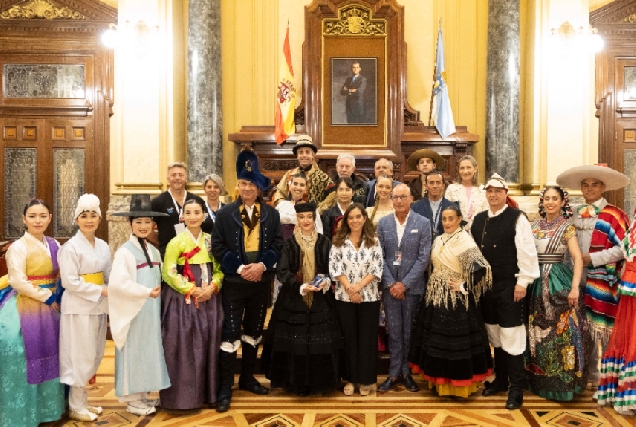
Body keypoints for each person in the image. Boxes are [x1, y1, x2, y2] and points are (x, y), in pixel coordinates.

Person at [212, 148, 283, 413]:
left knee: (254, 332)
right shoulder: (225, 214)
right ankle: (224, 385)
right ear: (237, 186)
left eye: (252, 184)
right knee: (230, 332)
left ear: (259, 188)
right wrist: (241, 268)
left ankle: (248, 378)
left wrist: (262, 266)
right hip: (234, 282)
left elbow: (278, 245)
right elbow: (218, 248)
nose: (248, 188)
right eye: (244, 183)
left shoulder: (271, 214)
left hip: (260, 282)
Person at [556, 164, 630, 393]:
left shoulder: (615, 214)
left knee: (603, 327)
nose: (589, 189)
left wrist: (594, 258)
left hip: (604, 279)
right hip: (577, 278)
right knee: (581, 327)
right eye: (585, 185)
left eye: (594, 184)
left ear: (603, 187)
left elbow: (624, 249)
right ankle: (583, 372)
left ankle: (604, 377)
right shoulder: (574, 213)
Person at [471, 173, 540, 410]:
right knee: (495, 335)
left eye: (497, 192)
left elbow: (527, 252)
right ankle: (500, 380)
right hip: (486, 289)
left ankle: (516, 388)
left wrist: (523, 282)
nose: (493, 195)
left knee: (512, 336)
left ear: (505, 194)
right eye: (489, 191)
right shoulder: (478, 220)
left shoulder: (517, 218)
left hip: (510, 287)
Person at [409, 204, 493, 398]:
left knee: (454, 345)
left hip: (456, 301)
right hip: (435, 296)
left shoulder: (464, 240)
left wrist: (464, 286)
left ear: (459, 219)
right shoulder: (438, 239)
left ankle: (459, 386)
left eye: (450, 219)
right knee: (436, 342)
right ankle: (439, 384)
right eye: (444, 219)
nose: (446, 222)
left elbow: (483, 269)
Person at [264, 202, 344, 396]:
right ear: (297, 220)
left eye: (309, 217)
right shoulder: (289, 243)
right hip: (293, 297)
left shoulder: (325, 242)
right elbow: (282, 271)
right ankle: (295, 382)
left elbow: (330, 268)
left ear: (313, 218)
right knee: (295, 341)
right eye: (302, 217)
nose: (306, 221)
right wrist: (299, 285)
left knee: (321, 339)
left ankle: (320, 383)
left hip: (320, 298)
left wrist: (324, 281)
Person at [0, 199, 65, 427]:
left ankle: (49, 410)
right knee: (21, 352)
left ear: (49, 218)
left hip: (52, 310)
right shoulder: (18, 247)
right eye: (32, 216)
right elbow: (17, 280)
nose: (38, 220)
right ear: (24, 219)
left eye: (42, 215)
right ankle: (21, 414)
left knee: (54, 352)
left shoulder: (55, 244)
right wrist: (48, 297)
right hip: (26, 306)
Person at [526, 186, 590, 401]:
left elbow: (577, 258)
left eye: (555, 198)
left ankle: (563, 383)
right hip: (535, 281)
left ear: (563, 202)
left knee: (563, 334)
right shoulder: (532, 226)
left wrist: (574, 287)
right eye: (547, 198)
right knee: (537, 331)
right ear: (541, 201)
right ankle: (539, 380)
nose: (550, 202)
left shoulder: (567, 228)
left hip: (558, 280)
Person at [109, 194, 171, 415]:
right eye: (138, 222)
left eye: (147, 221)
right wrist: (145, 292)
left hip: (150, 310)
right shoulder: (124, 252)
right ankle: (131, 398)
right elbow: (118, 284)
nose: (143, 226)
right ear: (130, 224)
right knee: (133, 350)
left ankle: (143, 394)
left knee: (148, 349)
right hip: (133, 310)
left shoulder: (153, 250)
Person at [161, 198, 223, 410]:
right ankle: (183, 397)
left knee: (208, 343)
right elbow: (168, 272)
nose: (193, 217)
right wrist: (190, 289)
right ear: (182, 216)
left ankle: (208, 393)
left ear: (204, 216)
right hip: (184, 301)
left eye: (197, 212)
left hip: (209, 299)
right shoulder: (175, 242)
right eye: (188, 213)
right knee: (185, 346)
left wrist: (213, 286)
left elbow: (219, 269)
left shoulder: (210, 241)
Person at [59, 194, 111, 422]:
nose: (89, 220)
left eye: (93, 215)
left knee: (93, 354)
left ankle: (84, 402)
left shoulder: (103, 245)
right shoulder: (70, 247)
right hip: (78, 308)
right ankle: (75, 405)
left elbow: (108, 276)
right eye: (84, 216)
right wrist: (99, 290)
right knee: (78, 355)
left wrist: (111, 290)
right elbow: (69, 281)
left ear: (99, 219)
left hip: (98, 307)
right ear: (77, 219)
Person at [376, 184, 431, 393]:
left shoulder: (423, 223)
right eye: (395, 197)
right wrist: (391, 283)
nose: (399, 201)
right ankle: (393, 373)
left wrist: (404, 284)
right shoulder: (383, 223)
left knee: (408, 332)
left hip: (412, 287)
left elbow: (423, 257)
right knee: (394, 332)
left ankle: (406, 373)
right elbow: (378, 257)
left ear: (411, 199)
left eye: (403, 197)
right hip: (390, 288)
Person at [329, 203, 384, 396]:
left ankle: (366, 380)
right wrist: (350, 289)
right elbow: (335, 268)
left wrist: (359, 287)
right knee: (349, 339)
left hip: (369, 297)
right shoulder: (338, 241)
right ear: (346, 220)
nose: (354, 221)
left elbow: (377, 268)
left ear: (364, 218)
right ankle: (351, 380)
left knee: (367, 340)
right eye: (351, 217)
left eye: (358, 217)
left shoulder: (374, 241)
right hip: (344, 298)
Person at [598, 209, 636, 415]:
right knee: (629, 338)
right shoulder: (634, 223)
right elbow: (621, 252)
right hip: (630, 286)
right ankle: (628, 395)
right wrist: (593, 258)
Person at [150, 162, 205, 257]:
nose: (177, 178)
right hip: (168, 255)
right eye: (173, 175)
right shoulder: (158, 202)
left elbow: (204, 227)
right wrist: (161, 242)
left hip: (194, 254)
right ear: (168, 178)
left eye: (181, 175)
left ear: (186, 178)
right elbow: (148, 229)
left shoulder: (197, 200)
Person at [273, 135, 333, 206]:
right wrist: (287, 206)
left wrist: (317, 210)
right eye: (301, 152)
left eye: (307, 152)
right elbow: (279, 193)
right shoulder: (289, 174)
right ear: (297, 156)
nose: (304, 155)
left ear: (312, 155)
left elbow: (332, 197)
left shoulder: (323, 178)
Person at [411, 170, 457, 240]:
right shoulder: (415, 207)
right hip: (423, 248)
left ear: (443, 186)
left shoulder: (453, 207)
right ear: (425, 186)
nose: (435, 186)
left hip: (446, 248)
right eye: (431, 183)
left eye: (438, 183)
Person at [445, 155, 488, 229]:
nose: (465, 171)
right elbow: (447, 214)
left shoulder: (483, 190)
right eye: (462, 168)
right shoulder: (451, 189)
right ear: (458, 170)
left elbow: (487, 215)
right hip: (457, 233)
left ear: (475, 169)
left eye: (468, 167)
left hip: (478, 233)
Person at [276, 172, 323, 240]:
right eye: (295, 183)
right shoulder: (281, 205)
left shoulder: (310, 208)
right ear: (290, 186)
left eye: (302, 185)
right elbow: (272, 227)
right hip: (280, 244)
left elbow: (319, 232)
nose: (298, 187)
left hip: (301, 245)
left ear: (305, 189)